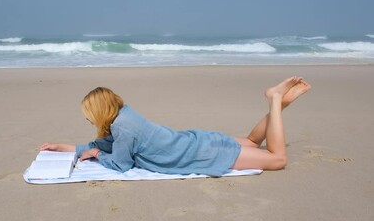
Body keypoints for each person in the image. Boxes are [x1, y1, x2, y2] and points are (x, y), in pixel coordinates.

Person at [39, 77, 311, 176]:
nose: (87, 119)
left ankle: (275, 100)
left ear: (98, 112)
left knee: (278, 159)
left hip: (204, 154)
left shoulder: (123, 130)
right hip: (198, 141)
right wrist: (60, 147)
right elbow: (95, 145)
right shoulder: (123, 115)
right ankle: (280, 104)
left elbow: (120, 163)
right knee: (252, 141)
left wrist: (98, 155)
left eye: (88, 114)